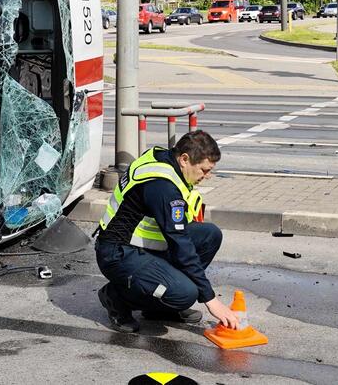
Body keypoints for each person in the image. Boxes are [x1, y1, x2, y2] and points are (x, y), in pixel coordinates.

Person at [93, 130, 239, 333]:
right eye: (204, 170)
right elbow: (180, 243)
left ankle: (160, 309)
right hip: (118, 253)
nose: (207, 177)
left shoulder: (166, 159)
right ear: (185, 159)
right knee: (185, 293)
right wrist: (210, 299)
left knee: (210, 235)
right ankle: (116, 297)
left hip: (141, 244)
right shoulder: (162, 186)